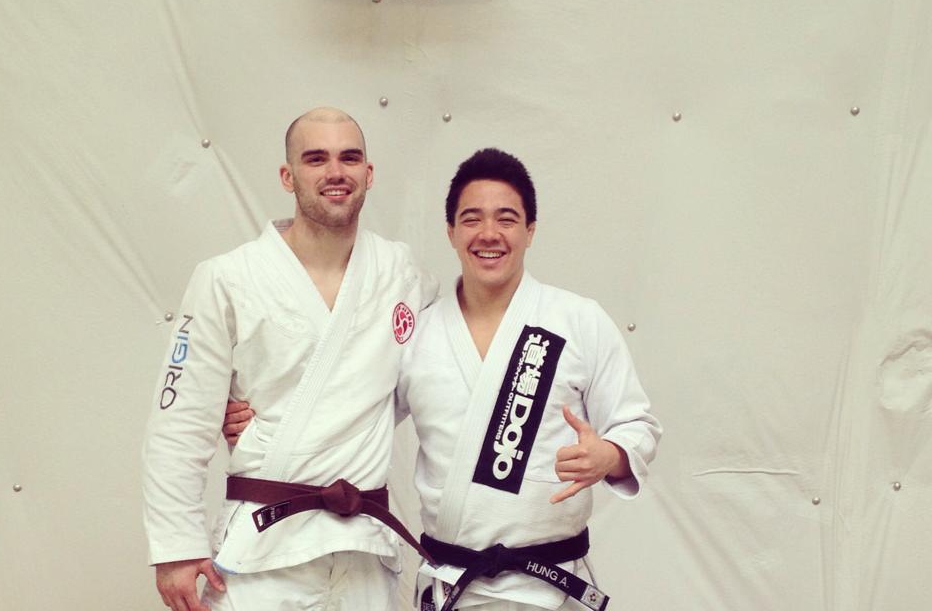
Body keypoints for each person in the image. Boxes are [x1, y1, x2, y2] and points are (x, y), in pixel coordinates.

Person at [226, 148, 661, 610]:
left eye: (507, 219)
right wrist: (260, 420)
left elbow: (638, 425)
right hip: (454, 586)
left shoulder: (579, 321)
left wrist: (609, 456)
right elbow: (350, 413)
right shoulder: (419, 332)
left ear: (531, 231)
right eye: (471, 219)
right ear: (451, 231)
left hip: (550, 587)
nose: (488, 234)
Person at [142, 107, 437, 611]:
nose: (335, 172)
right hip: (263, 551)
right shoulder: (227, 278)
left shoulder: (401, 273)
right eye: (315, 158)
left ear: (369, 173)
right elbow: (182, 418)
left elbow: (433, 377)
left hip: (362, 551)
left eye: (350, 157)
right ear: (288, 176)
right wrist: (177, 548)